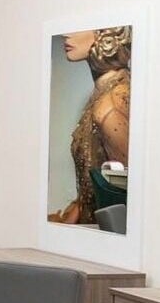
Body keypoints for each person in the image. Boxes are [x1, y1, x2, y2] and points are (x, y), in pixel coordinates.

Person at [50, 26, 132, 225]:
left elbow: (124, 193)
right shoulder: (104, 93)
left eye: (78, 27)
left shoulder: (110, 105)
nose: (66, 33)